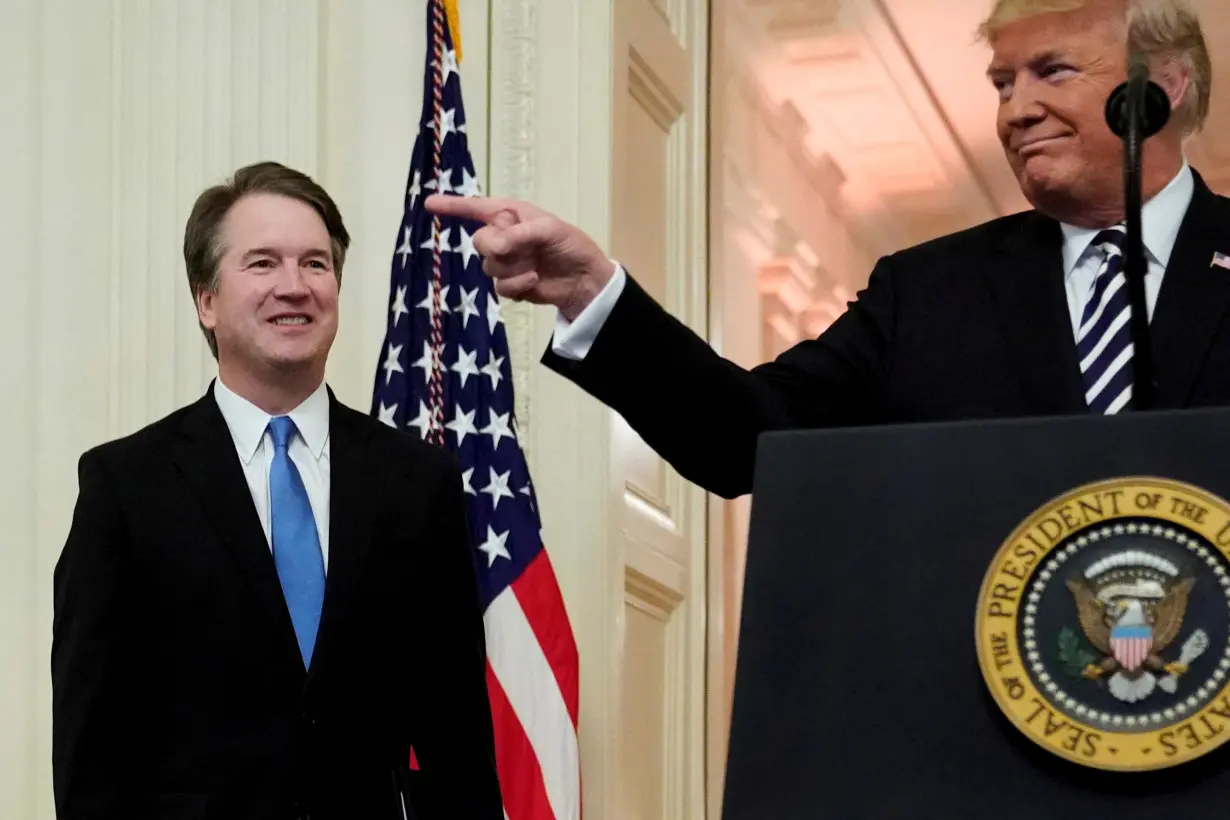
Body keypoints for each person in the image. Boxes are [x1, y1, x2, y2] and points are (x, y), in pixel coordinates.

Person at [427, 0, 1230, 500]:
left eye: (1051, 71)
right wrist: (592, 295)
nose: (1016, 111)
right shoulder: (928, 291)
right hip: (988, 734)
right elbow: (747, 439)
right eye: (1002, 83)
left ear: (1160, 86)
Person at [51, 161, 504, 820]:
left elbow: (456, 735)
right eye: (262, 264)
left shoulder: (415, 482)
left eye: (315, 265)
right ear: (205, 300)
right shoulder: (125, 486)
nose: (294, 287)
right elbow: (91, 753)